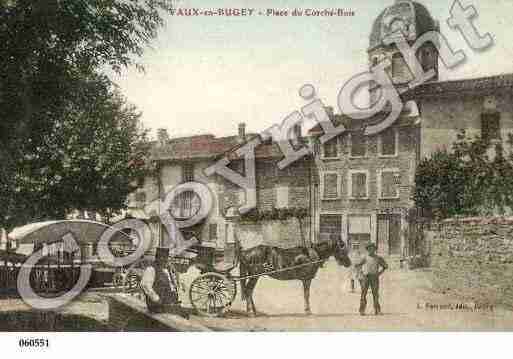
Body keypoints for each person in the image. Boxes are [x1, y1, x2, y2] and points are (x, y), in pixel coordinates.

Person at [141, 247, 188, 318]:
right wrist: (156, 299)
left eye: (165, 257)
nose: (163, 259)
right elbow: (145, 286)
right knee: (182, 316)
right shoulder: (151, 269)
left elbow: (172, 283)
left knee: (184, 314)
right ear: (156, 258)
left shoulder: (167, 269)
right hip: (157, 305)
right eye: (161, 257)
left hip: (168, 303)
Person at [354, 243, 388, 316]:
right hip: (365, 277)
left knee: (375, 294)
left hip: (374, 277)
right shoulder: (364, 257)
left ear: (374, 250)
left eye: (372, 249)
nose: (371, 250)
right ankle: (362, 310)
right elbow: (357, 265)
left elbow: (385, 266)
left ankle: (377, 310)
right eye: (369, 249)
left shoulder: (378, 258)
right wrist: (360, 273)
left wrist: (379, 273)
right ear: (367, 249)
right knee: (363, 294)